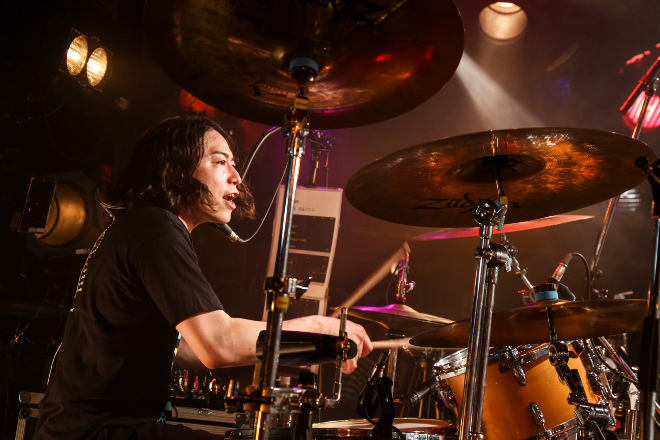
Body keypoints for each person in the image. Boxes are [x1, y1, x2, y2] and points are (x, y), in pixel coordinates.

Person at [33, 113, 373, 440]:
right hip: (101, 431)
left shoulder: (140, 226)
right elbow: (216, 344)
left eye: (233, 163)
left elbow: (187, 349)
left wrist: (312, 346)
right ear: (177, 171)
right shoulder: (157, 227)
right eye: (220, 161)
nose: (236, 176)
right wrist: (316, 326)